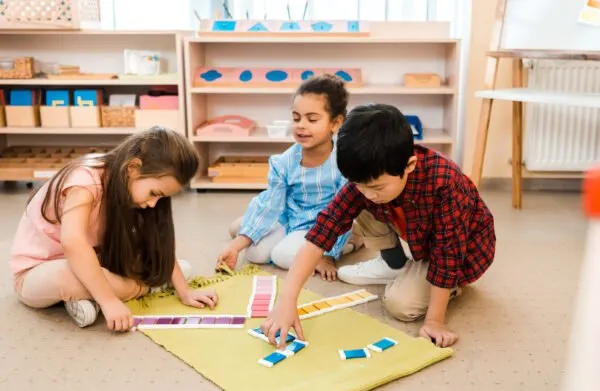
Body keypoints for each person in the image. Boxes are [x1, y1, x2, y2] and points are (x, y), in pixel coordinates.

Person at [261, 104, 496, 348]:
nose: (368, 194)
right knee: (355, 203)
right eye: (359, 185)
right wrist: (286, 302)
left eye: (376, 187)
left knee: (400, 305)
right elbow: (322, 232)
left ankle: (452, 286)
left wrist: (435, 320)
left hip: (462, 252)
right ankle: (393, 264)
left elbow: (448, 253)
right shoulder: (368, 182)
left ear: (410, 166)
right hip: (415, 233)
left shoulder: (445, 183)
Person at [10, 127, 218, 331]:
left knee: (145, 258)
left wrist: (184, 291)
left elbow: (156, 241)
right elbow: (73, 243)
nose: (154, 203)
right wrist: (109, 301)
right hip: (35, 273)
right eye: (154, 193)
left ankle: (90, 296)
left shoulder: (128, 184)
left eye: (161, 197)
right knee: (64, 275)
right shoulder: (85, 184)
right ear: (132, 168)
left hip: (93, 261)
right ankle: (148, 287)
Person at [218, 74, 362, 280]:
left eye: (312, 119)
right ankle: (249, 229)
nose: (301, 125)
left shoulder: (343, 162)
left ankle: (351, 242)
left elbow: (341, 212)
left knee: (282, 256)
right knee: (255, 253)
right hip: (288, 218)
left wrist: (328, 256)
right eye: (296, 118)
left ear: (336, 123)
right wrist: (236, 245)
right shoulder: (283, 162)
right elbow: (270, 205)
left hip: (321, 226)